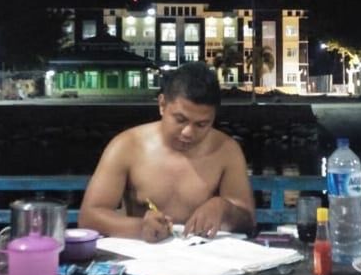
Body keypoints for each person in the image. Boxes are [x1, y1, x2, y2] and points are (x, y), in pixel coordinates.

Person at [78, 61, 256, 242]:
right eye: (180, 119)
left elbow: (248, 222)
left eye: (201, 124)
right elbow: (89, 217)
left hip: (203, 255)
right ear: (162, 105)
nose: (188, 133)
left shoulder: (226, 150)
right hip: (144, 254)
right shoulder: (127, 146)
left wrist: (224, 208)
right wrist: (140, 227)